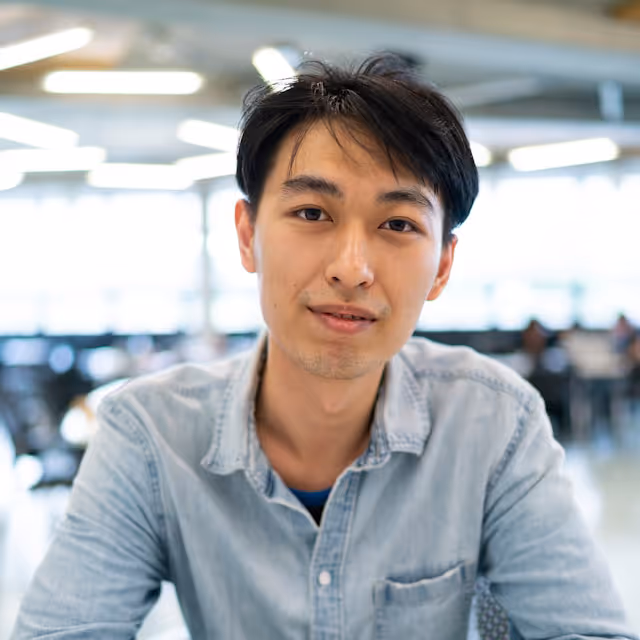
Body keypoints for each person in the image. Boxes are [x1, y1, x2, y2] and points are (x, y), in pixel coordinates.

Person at [11, 55, 635, 639]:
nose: (352, 268)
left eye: (398, 224)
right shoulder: (150, 435)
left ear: (443, 266)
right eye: (312, 213)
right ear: (248, 234)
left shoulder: (494, 422)